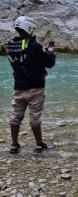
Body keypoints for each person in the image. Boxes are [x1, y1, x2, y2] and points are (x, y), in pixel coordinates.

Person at [0, 16, 56, 154]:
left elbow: (17, 55)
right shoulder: (34, 46)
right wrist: (50, 52)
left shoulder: (9, 46)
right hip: (35, 88)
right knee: (35, 116)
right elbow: (49, 63)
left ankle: (14, 145)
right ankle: (39, 144)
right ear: (29, 28)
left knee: (15, 116)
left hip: (18, 87)